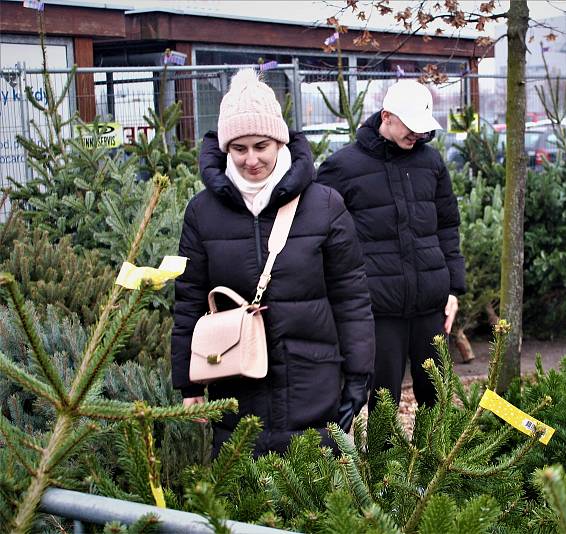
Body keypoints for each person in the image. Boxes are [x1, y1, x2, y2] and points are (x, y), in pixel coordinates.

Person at [171, 69, 374, 456]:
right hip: (235, 392)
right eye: (239, 148)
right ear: (225, 149)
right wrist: (190, 385)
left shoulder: (324, 205)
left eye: (261, 146)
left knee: (315, 506)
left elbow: (351, 297)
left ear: (280, 141)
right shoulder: (201, 213)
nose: (251, 160)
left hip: (313, 387)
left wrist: (358, 375)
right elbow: (188, 301)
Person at [317, 79, 465, 410]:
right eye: (410, 128)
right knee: (383, 399)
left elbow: (447, 226)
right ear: (386, 116)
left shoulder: (431, 163)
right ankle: (382, 463)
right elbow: (322, 234)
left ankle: (435, 461)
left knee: (436, 397)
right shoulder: (342, 167)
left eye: (423, 129)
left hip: (430, 302)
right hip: (378, 307)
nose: (418, 136)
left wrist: (454, 289)